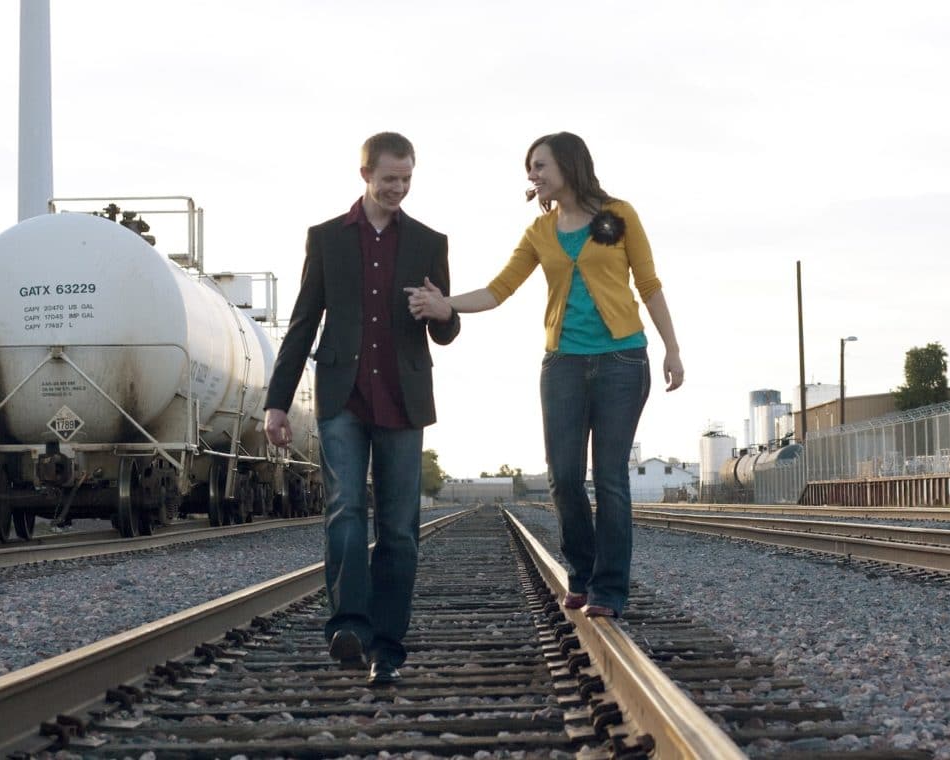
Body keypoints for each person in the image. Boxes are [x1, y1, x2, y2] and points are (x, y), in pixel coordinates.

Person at [407, 132, 682, 619]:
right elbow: (499, 290)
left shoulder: (618, 216)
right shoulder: (540, 233)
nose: (533, 177)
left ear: (568, 165)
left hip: (623, 360)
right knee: (564, 478)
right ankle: (582, 574)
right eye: (529, 170)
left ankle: (609, 590)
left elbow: (650, 283)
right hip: (563, 366)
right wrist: (446, 304)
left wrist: (672, 349)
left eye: (539, 166)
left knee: (611, 477)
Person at [264, 132, 460, 686]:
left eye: (406, 179)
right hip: (343, 396)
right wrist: (277, 404)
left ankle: (388, 647)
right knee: (345, 510)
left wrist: (439, 311)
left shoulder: (428, 242)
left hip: (403, 396)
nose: (398, 188)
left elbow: (446, 329)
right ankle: (347, 625)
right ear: (365, 175)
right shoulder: (326, 239)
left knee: (399, 528)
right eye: (389, 179)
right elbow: (304, 322)